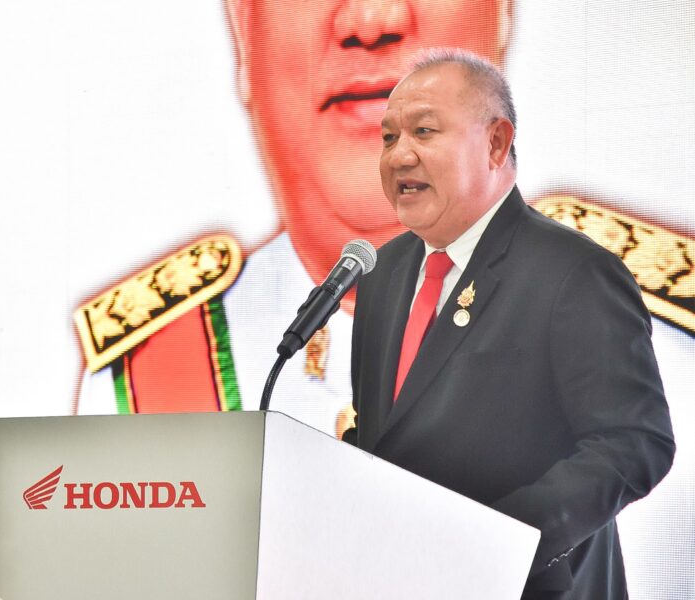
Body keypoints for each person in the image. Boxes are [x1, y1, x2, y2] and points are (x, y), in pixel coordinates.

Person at [76, 0, 515, 436]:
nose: (371, 20)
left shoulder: (559, 306)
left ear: (504, 15)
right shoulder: (147, 383)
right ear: (243, 27)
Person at [342, 48, 675, 598]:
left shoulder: (573, 273)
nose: (399, 156)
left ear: (496, 143)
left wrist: (503, 543)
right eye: (388, 138)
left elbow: (634, 442)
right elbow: (383, 435)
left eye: (423, 131)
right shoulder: (381, 273)